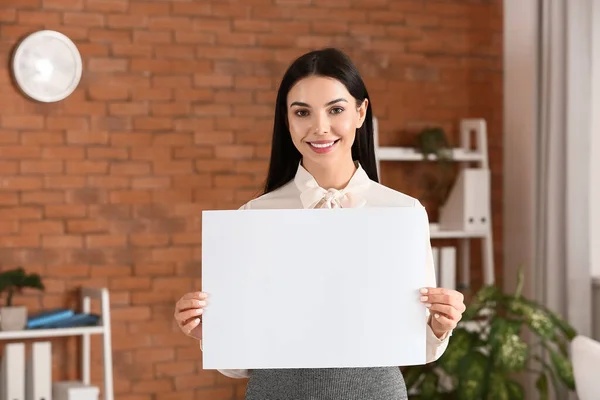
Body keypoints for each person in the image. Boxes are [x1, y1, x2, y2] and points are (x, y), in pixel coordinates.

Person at [174, 47, 466, 399]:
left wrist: (439, 325)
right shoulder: (255, 217)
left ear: (361, 112)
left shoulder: (402, 213)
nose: (319, 127)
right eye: (302, 112)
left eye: (336, 110)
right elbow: (242, 365)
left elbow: (418, 347)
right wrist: (212, 331)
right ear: (287, 120)